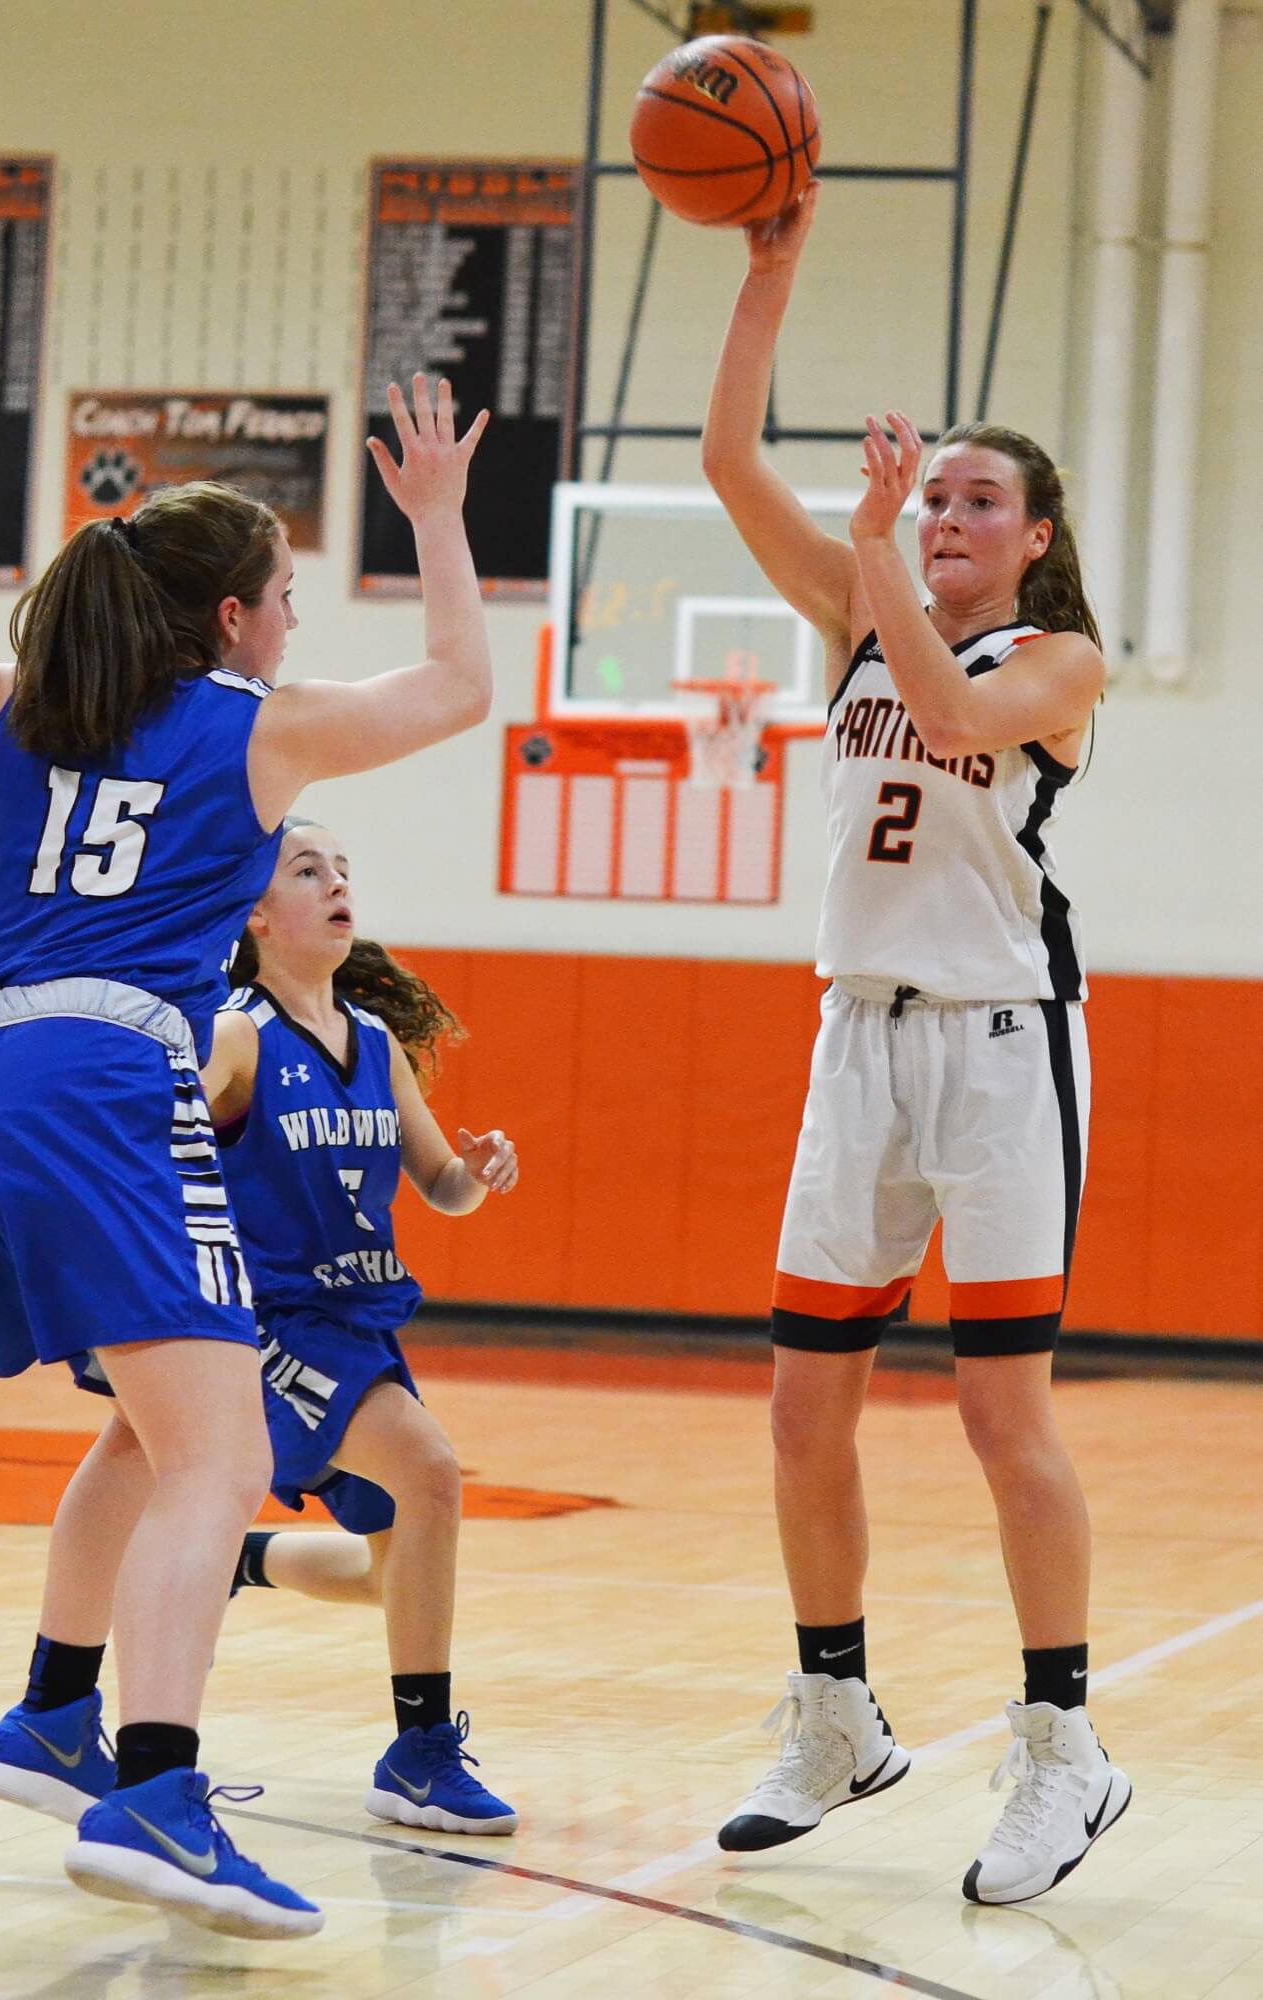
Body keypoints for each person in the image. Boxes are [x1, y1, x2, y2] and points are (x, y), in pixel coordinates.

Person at [0, 375, 491, 1937]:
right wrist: (432, 519)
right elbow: (458, 688)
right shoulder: (251, 732)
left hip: (5, 1059)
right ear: (233, 617)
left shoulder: (20, 720)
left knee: (152, 1431)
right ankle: (155, 1790)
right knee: (219, 1452)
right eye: (284, 600)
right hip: (114, 1079)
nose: (290, 628)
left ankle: (58, 1718)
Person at [701, 186, 1129, 1905]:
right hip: (852, 1042)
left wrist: (874, 540)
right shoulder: (851, 604)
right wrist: (771, 269)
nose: (942, 511)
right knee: (804, 1408)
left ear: (1027, 539)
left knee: (998, 1416)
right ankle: (832, 1715)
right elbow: (732, 461)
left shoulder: (1057, 659)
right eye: (927, 489)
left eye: (975, 499)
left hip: (998, 1048)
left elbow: (947, 712)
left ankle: (1060, 1750)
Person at [202, 818, 519, 1835]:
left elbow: (441, 1184)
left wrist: (481, 1172)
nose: (338, 882)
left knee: (396, 1567)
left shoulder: (375, 1044)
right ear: (258, 915)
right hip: (276, 1322)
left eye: (344, 869)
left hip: (361, 1318)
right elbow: (157, 1152)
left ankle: (245, 1557)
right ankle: (419, 1750)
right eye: (308, 870)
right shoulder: (238, 1036)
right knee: (431, 1472)